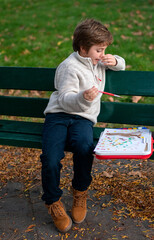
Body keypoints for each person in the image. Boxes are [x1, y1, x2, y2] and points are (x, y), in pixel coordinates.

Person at [40, 18, 125, 233]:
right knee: (50, 157)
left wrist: (115, 61)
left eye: (105, 49)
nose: (103, 53)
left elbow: (121, 64)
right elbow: (65, 98)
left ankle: (80, 192)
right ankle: (53, 201)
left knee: (84, 146)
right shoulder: (68, 67)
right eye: (100, 50)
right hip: (59, 115)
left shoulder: (98, 62)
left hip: (83, 118)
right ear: (83, 49)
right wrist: (83, 96)